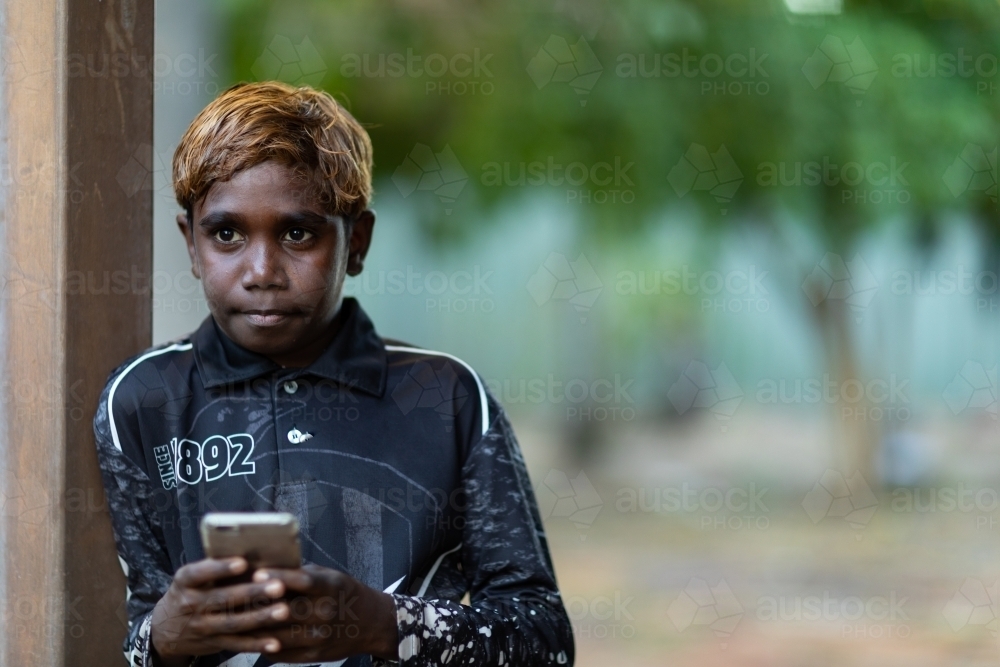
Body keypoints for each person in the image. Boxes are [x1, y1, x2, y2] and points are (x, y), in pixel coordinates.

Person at [93, 81, 574, 667]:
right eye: (226, 234)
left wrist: (386, 626)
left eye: (298, 233)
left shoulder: (445, 398)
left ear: (358, 241)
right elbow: (139, 634)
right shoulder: (140, 402)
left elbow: (544, 640)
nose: (262, 270)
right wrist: (162, 636)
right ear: (191, 244)